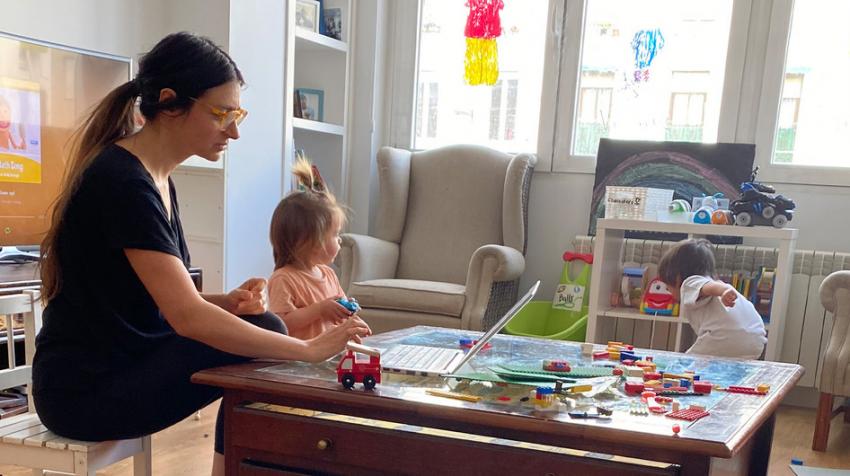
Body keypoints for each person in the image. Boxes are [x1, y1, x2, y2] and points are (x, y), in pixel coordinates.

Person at [33, 32, 370, 476]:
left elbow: (153, 300)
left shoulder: (156, 179)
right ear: (171, 103)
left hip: (127, 361)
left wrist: (226, 303)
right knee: (264, 343)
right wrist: (306, 349)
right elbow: (186, 317)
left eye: (237, 113)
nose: (234, 129)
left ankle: (232, 468)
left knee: (260, 326)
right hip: (84, 391)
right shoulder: (122, 182)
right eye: (222, 114)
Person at [267, 158, 355, 340]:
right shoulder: (284, 279)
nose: (339, 240)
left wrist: (348, 312)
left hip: (327, 356)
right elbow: (281, 324)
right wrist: (320, 310)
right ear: (311, 241)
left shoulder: (328, 275)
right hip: (297, 361)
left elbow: (338, 310)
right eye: (335, 234)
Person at [657, 238, 767, 359]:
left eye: (667, 286)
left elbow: (707, 286)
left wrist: (724, 291)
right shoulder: (713, 284)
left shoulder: (690, 283)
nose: (668, 290)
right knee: (729, 370)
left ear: (677, 277)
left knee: (687, 366)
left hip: (724, 336)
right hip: (755, 340)